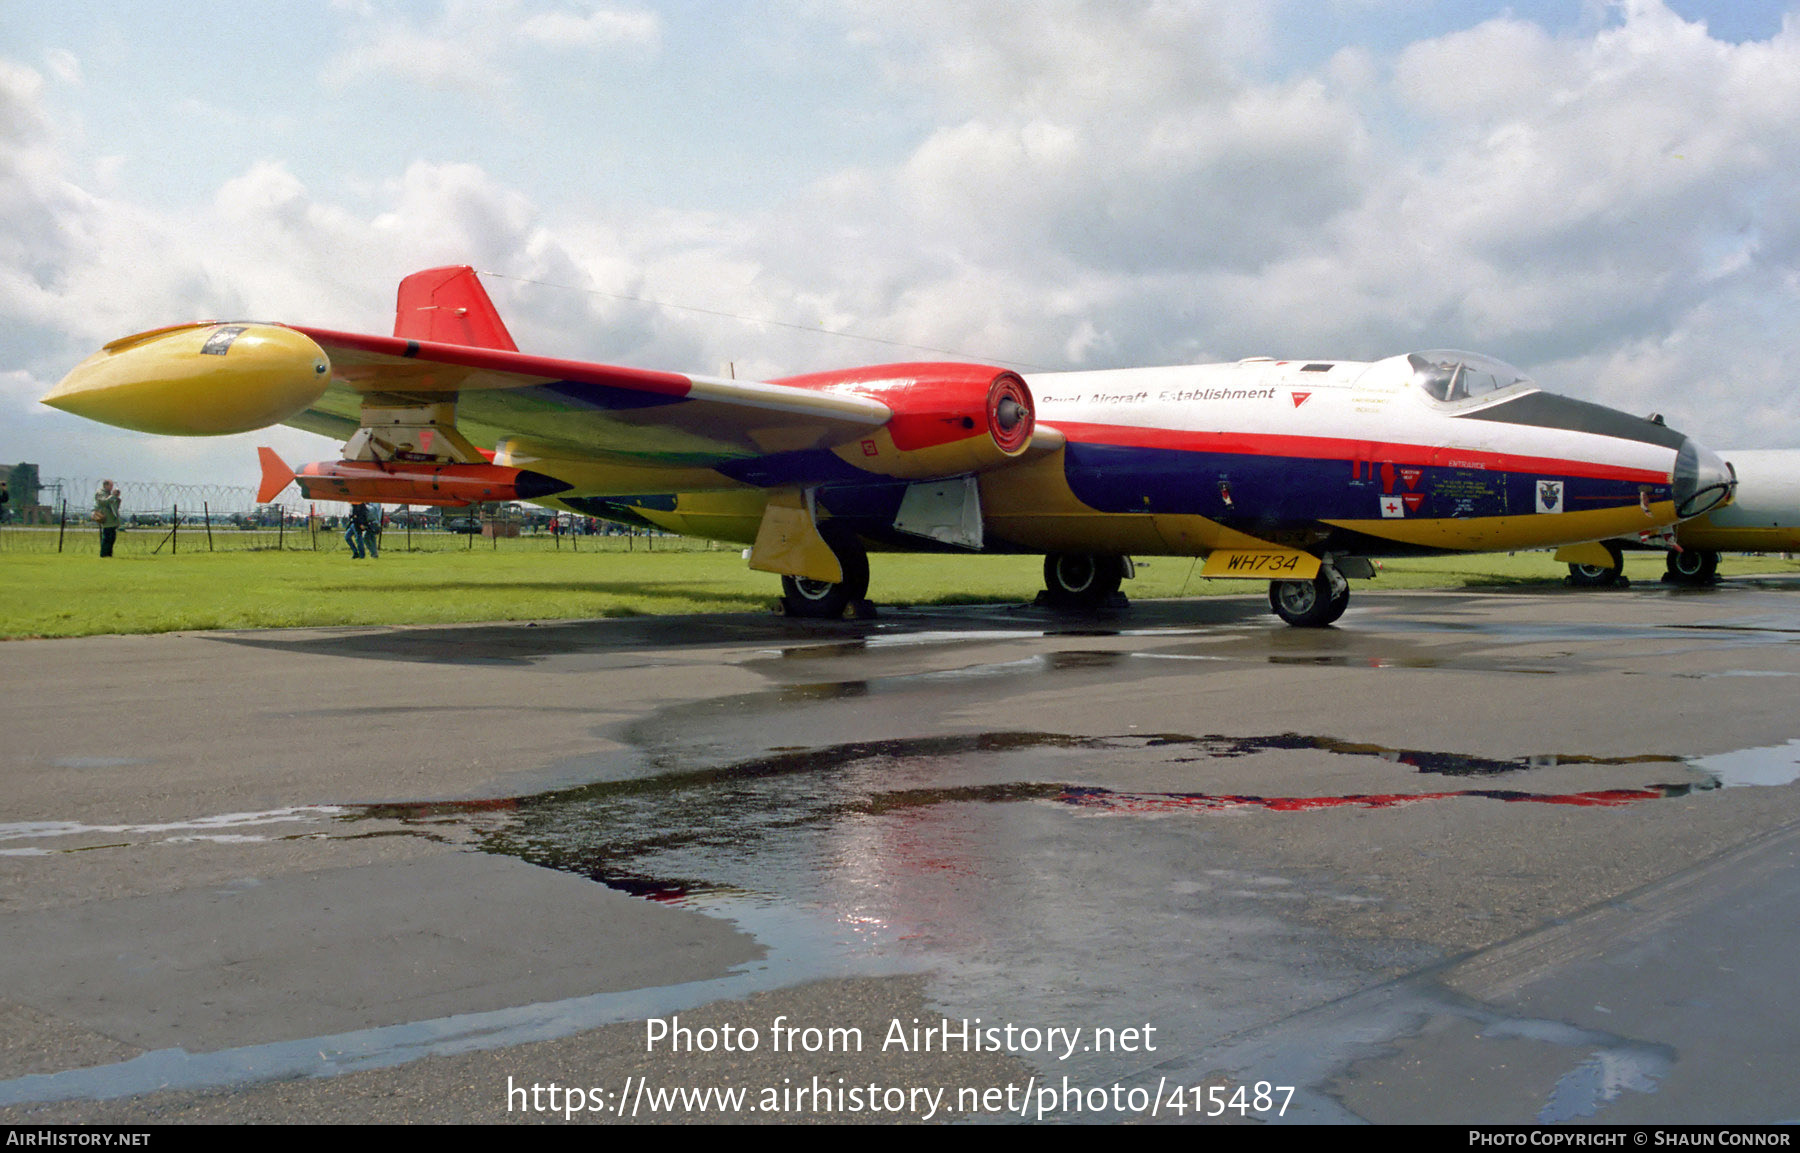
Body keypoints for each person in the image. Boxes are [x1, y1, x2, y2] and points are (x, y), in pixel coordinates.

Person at [93, 480, 122, 557]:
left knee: (112, 538)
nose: (111, 487)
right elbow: (103, 502)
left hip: (112, 519)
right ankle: (104, 554)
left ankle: (109, 554)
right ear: (105, 485)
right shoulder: (100, 493)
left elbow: (115, 506)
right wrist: (113, 495)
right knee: (107, 537)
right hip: (106, 519)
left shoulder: (108, 494)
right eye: (110, 486)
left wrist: (117, 498)